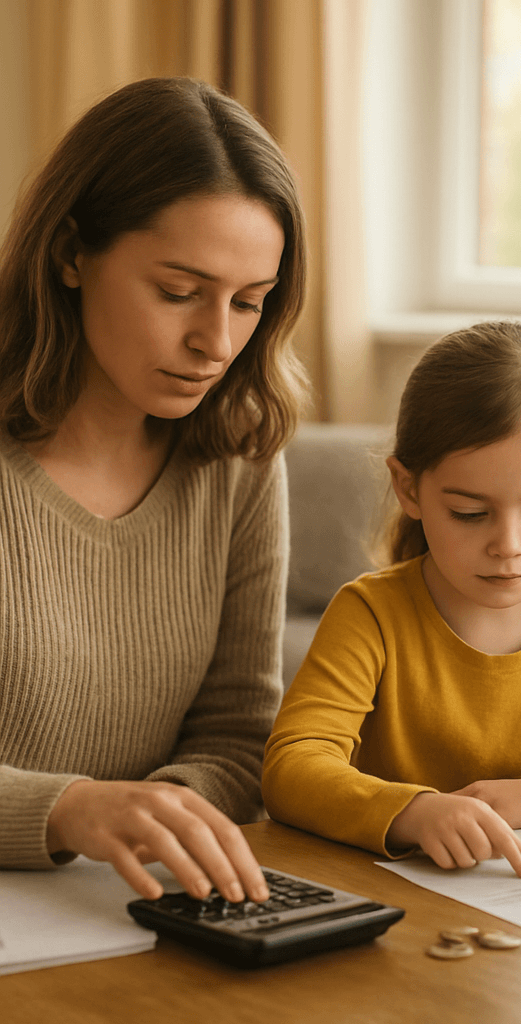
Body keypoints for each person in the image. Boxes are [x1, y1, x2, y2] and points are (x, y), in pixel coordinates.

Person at [0, 77, 308, 903]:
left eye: (249, 303)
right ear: (71, 253)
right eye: (178, 292)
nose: (217, 343)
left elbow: (237, 738)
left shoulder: (240, 457)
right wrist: (68, 810)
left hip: (125, 901)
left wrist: (159, 817)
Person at [263, 321, 521, 876]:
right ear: (409, 488)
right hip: (397, 891)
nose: (508, 545)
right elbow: (292, 768)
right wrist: (413, 812)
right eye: (470, 514)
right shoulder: (371, 613)